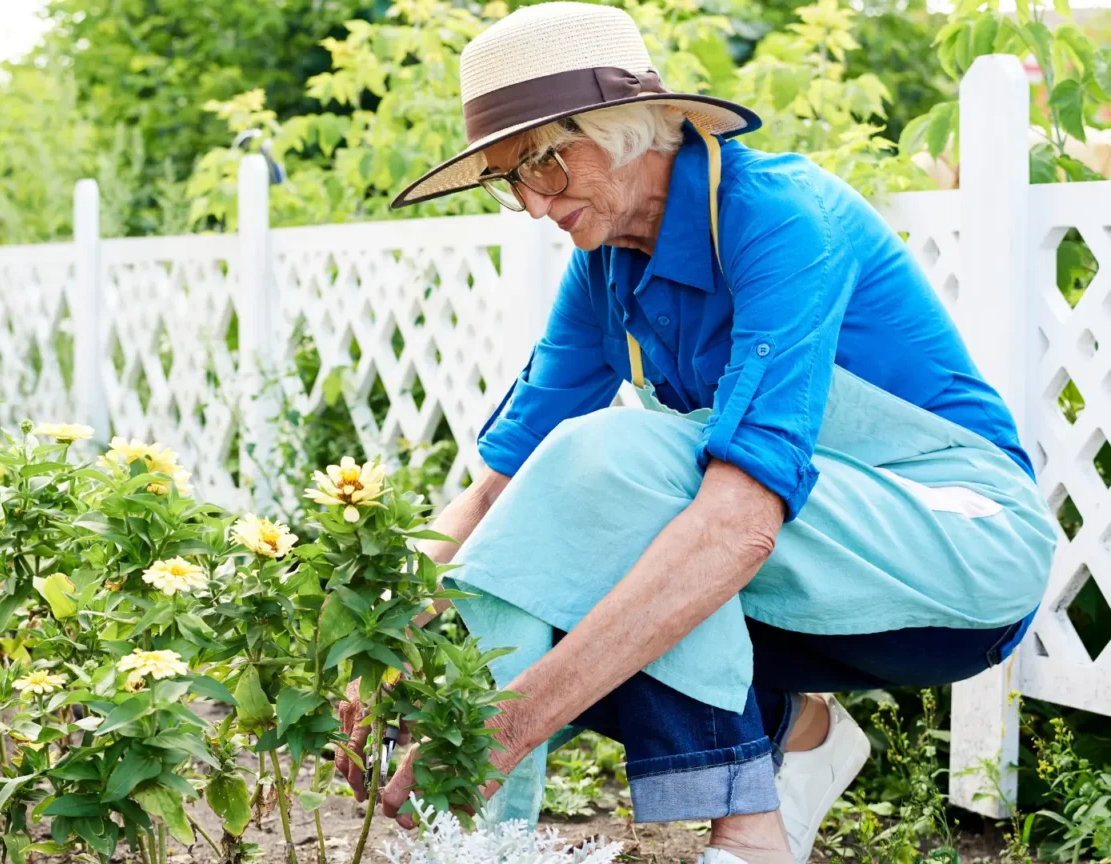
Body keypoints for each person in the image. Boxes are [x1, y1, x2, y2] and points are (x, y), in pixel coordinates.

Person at [331, 4, 1056, 863]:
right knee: (549, 535)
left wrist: (509, 728)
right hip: (809, 559)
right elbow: (499, 488)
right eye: (508, 179)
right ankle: (795, 738)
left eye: (544, 163)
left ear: (628, 128)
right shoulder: (605, 267)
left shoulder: (784, 218)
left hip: (961, 551)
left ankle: (748, 835)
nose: (530, 203)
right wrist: (388, 638)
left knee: (618, 464)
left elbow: (738, 523)